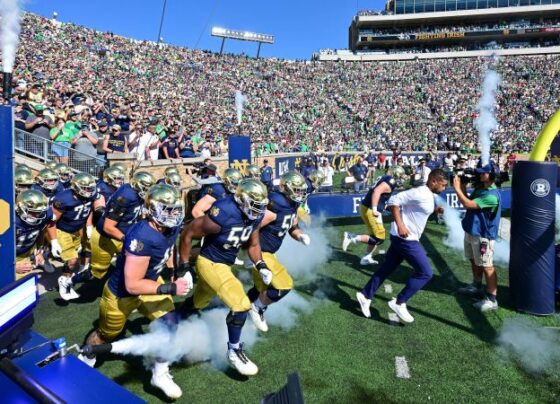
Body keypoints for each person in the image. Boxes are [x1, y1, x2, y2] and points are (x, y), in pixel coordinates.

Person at [81, 185, 189, 400]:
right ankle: (86, 356)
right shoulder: (141, 237)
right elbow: (133, 285)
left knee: (170, 324)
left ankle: (159, 374)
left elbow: (171, 246)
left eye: (175, 209)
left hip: (149, 281)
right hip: (123, 293)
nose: (174, 214)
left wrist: (178, 269)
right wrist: (169, 288)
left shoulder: (169, 226)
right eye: (167, 210)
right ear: (152, 210)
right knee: (106, 335)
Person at [177, 179, 270, 376]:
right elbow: (187, 234)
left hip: (224, 263)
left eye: (261, 206)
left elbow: (253, 245)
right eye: (255, 205)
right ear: (242, 200)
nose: (258, 210)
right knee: (241, 304)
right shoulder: (224, 212)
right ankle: (234, 350)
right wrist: (183, 268)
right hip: (210, 262)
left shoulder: (252, 216)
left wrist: (260, 264)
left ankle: (173, 321)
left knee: (199, 301)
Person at [356, 169, 448, 323]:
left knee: (387, 268)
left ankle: (365, 295)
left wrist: (435, 210)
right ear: (433, 181)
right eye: (443, 185)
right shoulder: (420, 192)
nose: (444, 188)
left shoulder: (428, 195)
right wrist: (400, 225)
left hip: (401, 238)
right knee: (425, 273)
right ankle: (399, 302)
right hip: (406, 239)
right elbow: (393, 202)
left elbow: (417, 210)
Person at [246, 171, 310, 332]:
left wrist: (300, 235)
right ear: (286, 188)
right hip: (260, 252)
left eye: (302, 190)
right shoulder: (277, 203)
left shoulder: (292, 204)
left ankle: (240, 314)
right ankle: (257, 308)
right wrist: (252, 251)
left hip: (268, 252)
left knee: (261, 289)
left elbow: (291, 226)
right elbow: (253, 227)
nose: (300, 193)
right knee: (283, 285)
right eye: (297, 190)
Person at [453, 161, 502, 312]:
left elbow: (468, 204)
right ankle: (476, 285)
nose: (480, 174)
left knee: (487, 266)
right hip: (472, 230)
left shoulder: (492, 196)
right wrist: (461, 186)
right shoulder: (481, 189)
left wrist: (456, 188)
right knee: (474, 260)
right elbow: (467, 199)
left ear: (492, 174)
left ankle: (492, 298)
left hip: (483, 235)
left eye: (484, 172)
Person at [91, 171, 156, 280]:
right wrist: (128, 239)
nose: (147, 192)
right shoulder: (126, 196)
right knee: (96, 274)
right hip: (106, 237)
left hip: (123, 234)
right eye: (145, 188)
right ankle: (70, 280)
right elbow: (108, 227)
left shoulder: (137, 194)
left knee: (133, 264)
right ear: (136, 185)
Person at [49, 173, 99, 300]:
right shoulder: (63, 199)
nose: (89, 191)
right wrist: (54, 241)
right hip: (62, 230)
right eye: (85, 188)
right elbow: (52, 221)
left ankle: (68, 281)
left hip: (78, 229)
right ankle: (63, 281)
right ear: (76, 187)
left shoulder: (90, 195)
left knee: (76, 258)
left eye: (90, 188)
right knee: (72, 260)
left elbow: (89, 211)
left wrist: (88, 225)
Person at [342, 166, 406, 265]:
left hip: (366, 207)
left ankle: (366, 257)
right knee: (379, 238)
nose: (401, 178)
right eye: (400, 176)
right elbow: (377, 191)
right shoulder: (390, 181)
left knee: (374, 236)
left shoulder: (385, 177)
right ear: (396, 174)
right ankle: (352, 237)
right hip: (371, 209)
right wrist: (375, 208)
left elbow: (380, 195)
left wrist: (383, 207)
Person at [15, 190, 53, 280]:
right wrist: (11, 266)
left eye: (39, 212)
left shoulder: (44, 215)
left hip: (24, 252)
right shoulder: (9, 221)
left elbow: (40, 231)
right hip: (6, 256)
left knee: (26, 284)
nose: (36, 216)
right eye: (32, 212)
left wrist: (39, 251)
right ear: (20, 208)